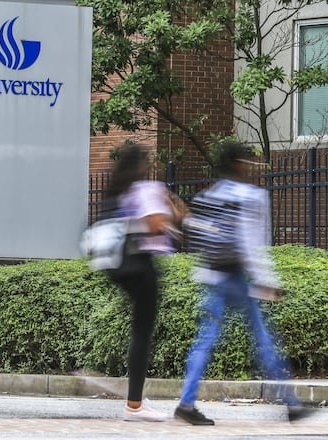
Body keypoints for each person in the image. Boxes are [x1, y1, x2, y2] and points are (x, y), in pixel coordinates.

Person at [174, 142, 308, 425]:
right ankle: (291, 402)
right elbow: (252, 244)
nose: (252, 167)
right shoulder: (252, 196)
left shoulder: (211, 194)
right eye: (249, 162)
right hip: (236, 279)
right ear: (239, 164)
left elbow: (199, 236)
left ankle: (186, 403)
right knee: (263, 338)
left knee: (204, 341)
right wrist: (267, 281)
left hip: (212, 276)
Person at [102, 143, 181, 422]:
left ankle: (135, 402)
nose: (150, 166)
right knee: (142, 334)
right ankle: (134, 405)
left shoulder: (119, 191)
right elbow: (156, 224)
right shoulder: (146, 190)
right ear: (140, 166)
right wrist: (169, 205)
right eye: (147, 162)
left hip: (120, 267)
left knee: (139, 333)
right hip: (142, 266)